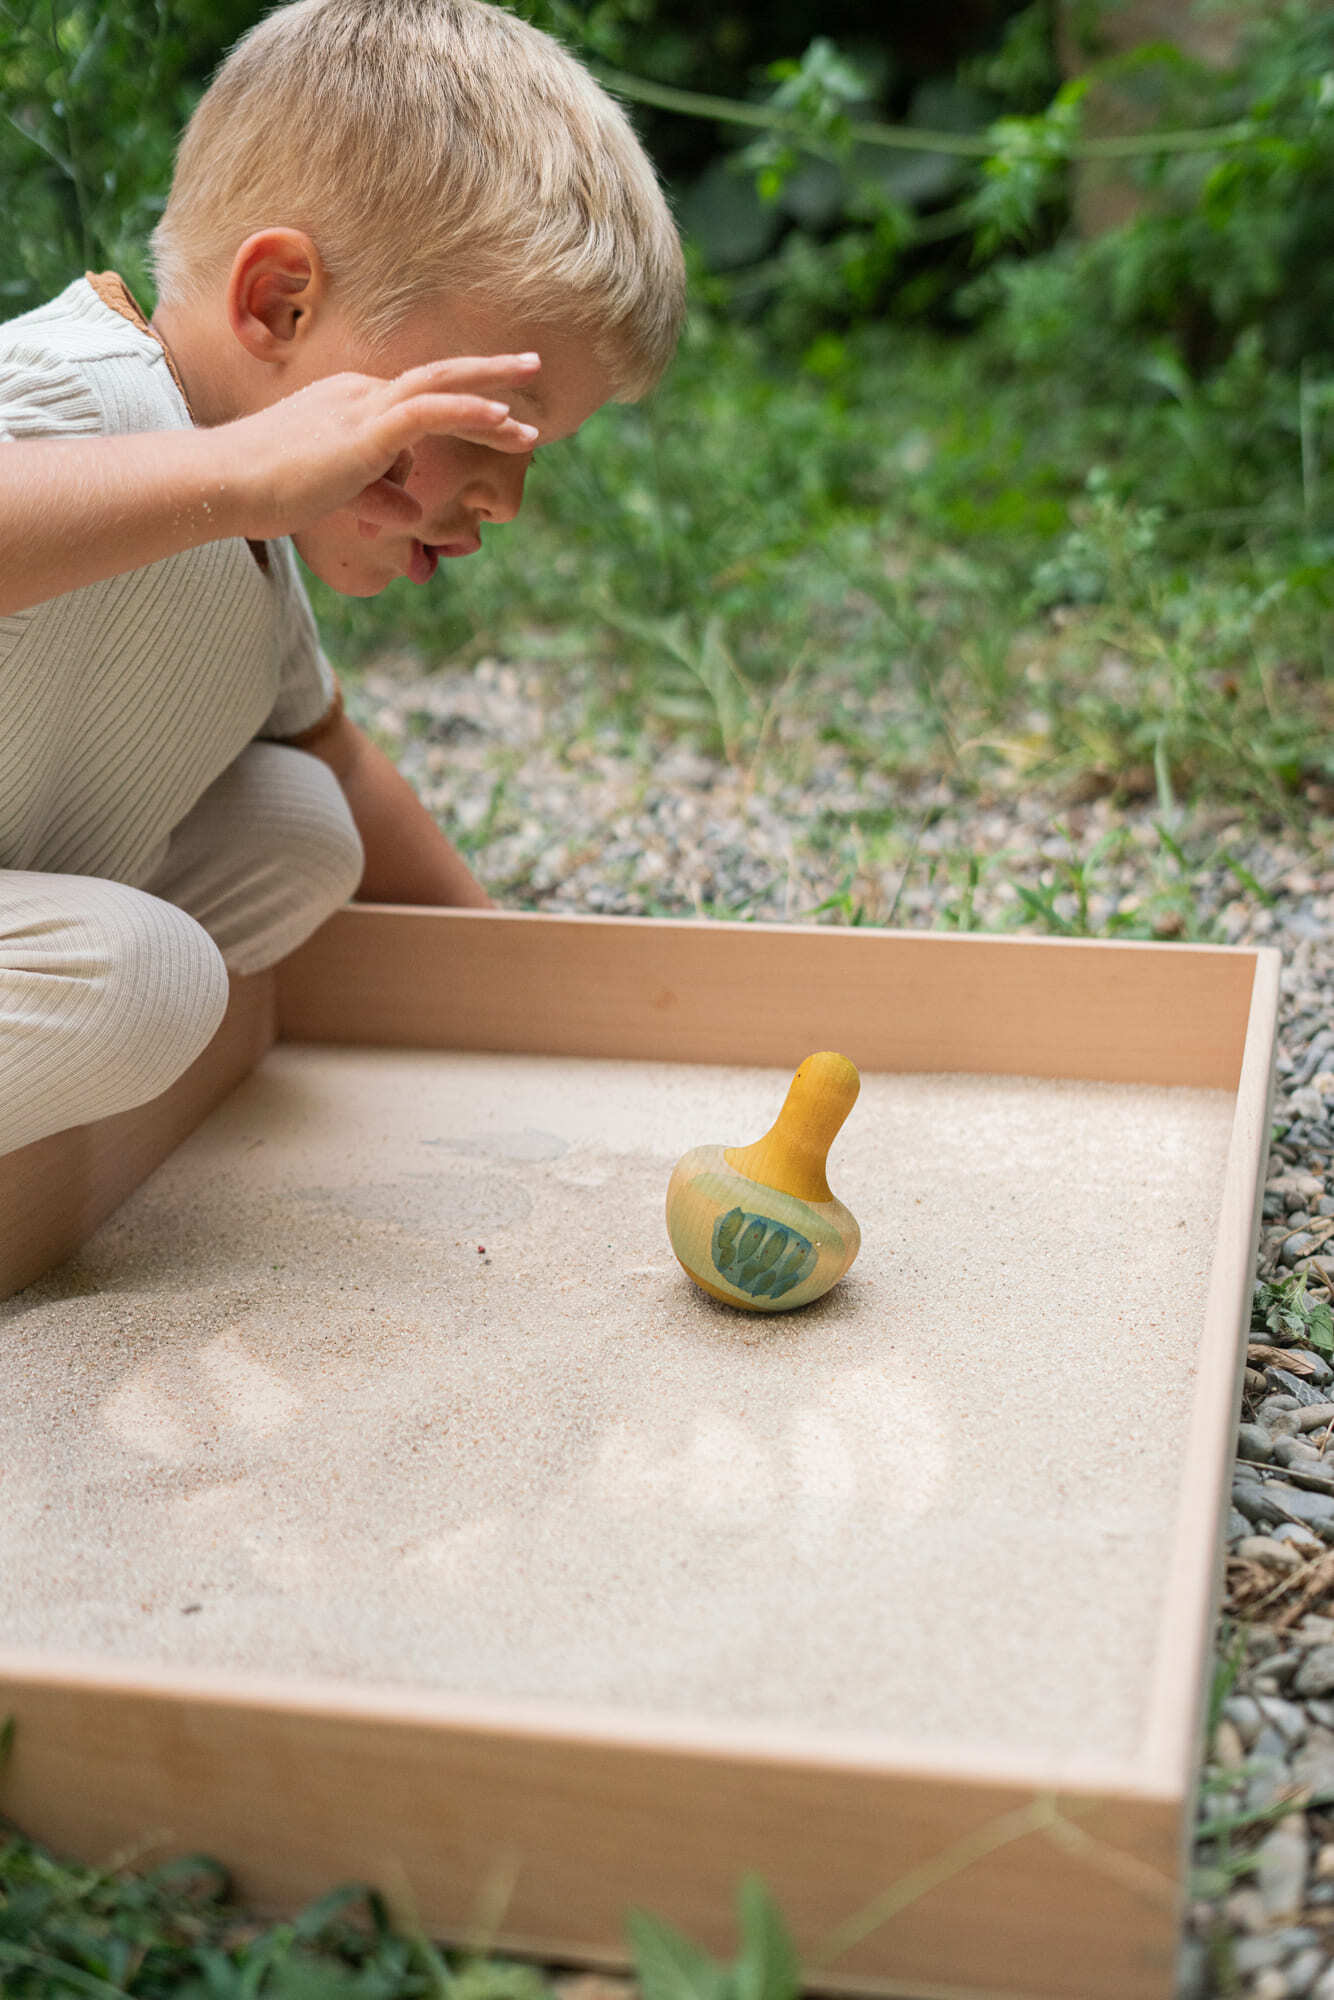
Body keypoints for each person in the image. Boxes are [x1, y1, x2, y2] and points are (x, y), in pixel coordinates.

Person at [0, 0, 684, 1158]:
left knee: (304, 828)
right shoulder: (88, 391)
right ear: (280, 303)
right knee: (146, 979)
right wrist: (233, 470)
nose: (502, 501)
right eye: (484, 431)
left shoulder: (249, 550)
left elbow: (338, 760)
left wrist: (528, 1006)